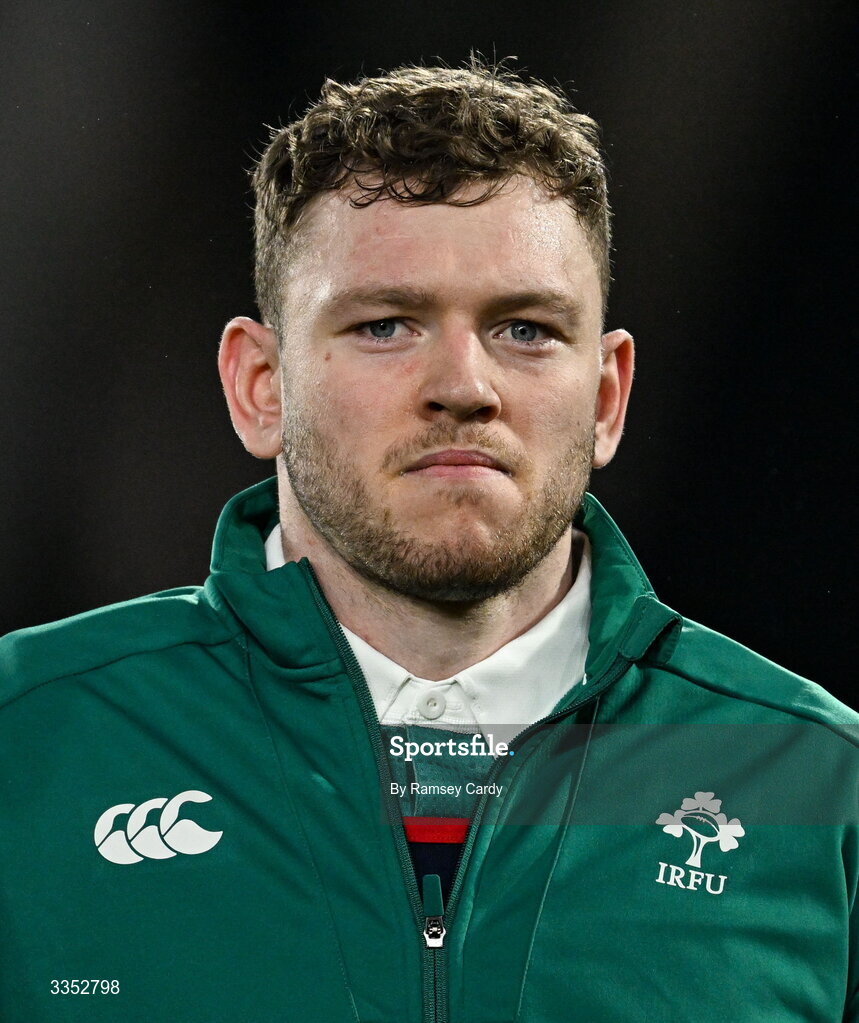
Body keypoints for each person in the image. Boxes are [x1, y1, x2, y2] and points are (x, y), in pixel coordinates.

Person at [1, 59, 856, 1023]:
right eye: (386, 325)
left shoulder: (815, 777)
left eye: (525, 329)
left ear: (606, 397)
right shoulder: (28, 737)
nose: (463, 385)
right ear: (259, 387)